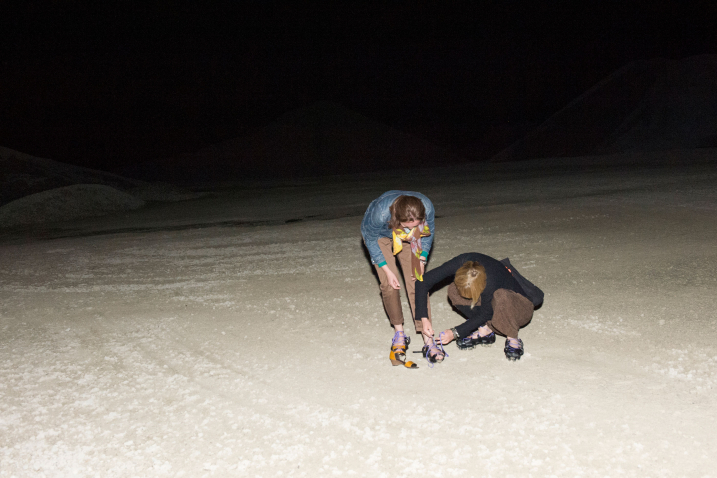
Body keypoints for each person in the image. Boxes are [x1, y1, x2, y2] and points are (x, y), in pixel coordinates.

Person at [361, 191, 437, 368]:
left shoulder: (426, 206)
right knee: (389, 284)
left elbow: (428, 233)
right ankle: (399, 333)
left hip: (404, 232)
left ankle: (428, 338)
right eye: (408, 226)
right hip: (380, 236)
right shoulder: (380, 213)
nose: (411, 231)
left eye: (415, 225)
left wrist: (422, 257)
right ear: (396, 217)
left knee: (417, 280)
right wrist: (387, 270)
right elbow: (370, 239)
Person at [414, 252, 537, 361]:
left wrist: (455, 333)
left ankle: (512, 337)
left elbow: (486, 313)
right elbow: (422, 282)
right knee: (453, 290)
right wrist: (424, 318)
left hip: (518, 308)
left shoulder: (492, 280)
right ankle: (485, 330)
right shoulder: (462, 262)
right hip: (491, 304)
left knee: (502, 296)